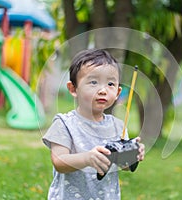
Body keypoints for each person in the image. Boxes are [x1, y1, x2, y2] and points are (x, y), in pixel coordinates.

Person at [42, 49, 145, 200]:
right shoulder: (64, 123)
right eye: (93, 82)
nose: (103, 90)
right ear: (73, 89)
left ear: (117, 92)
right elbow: (59, 161)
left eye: (110, 84)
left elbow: (123, 165)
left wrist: (132, 154)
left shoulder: (118, 127)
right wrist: (88, 159)